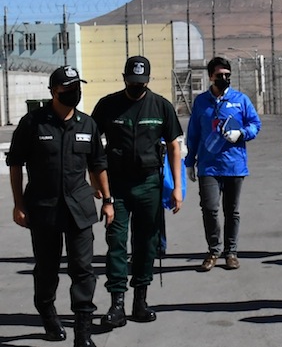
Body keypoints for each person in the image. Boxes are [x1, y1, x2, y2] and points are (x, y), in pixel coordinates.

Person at [7, 66, 114, 347]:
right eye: (68, 88)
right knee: (47, 269)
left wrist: (108, 200)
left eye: (77, 86)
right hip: (44, 208)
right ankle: (48, 313)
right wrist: (18, 205)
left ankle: (83, 333)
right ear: (54, 91)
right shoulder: (33, 123)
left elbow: (98, 164)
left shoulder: (87, 124)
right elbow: (15, 164)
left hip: (79, 208)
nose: (74, 92)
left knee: (83, 270)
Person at [91, 56, 184, 328]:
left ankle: (140, 300)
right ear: (124, 79)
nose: (136, 86)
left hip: (148, 184)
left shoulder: (161, 106)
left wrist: (177, 188)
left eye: (140, 83)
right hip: (117, 186)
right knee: (116, 243)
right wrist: (95, 181)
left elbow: (174, 146)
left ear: (148, 81)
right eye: (132, 81)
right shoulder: (108, 105)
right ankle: (117, 304)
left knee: (146, 243)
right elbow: (92, 145)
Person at [186, 56, 262, 272]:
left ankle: (231, 252)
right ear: (211, 76)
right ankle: (213, 250)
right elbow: (193, 133)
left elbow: (255, 124)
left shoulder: (240, 100)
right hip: (208, 166)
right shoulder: (201, 102)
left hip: (234, 165)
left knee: (232, 211)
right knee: (210, 208)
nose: (224, 78)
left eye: (227, 75)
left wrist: (242, 133)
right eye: (219, 75)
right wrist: (190, 162)